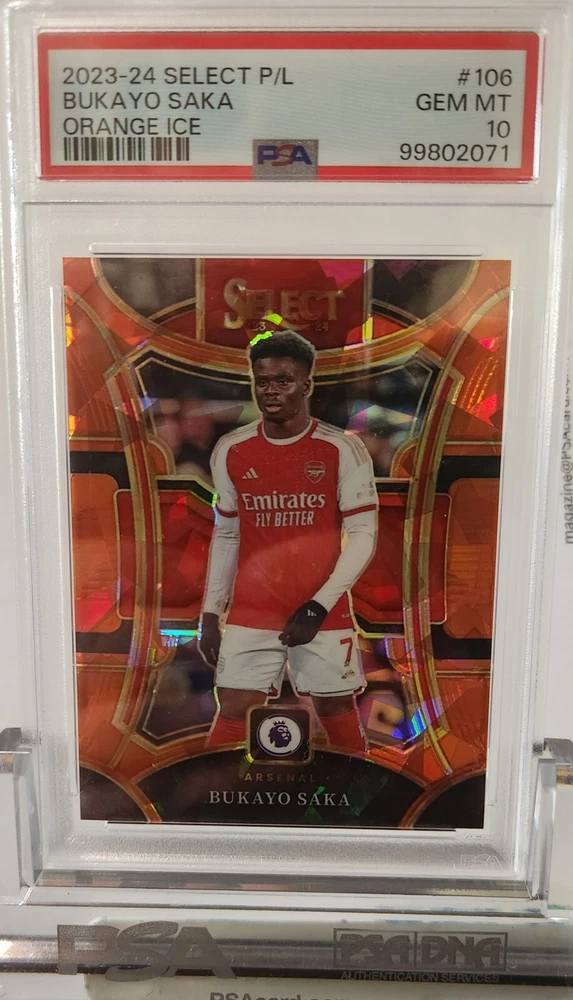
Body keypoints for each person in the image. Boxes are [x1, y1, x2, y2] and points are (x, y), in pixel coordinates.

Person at [199, 331, 378, 752]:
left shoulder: (341, 449)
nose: (271, 391)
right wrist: (210, 611)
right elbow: (227, 534)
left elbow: (364, 536)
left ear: (306, 385)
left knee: (335, 707)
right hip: (252, 610)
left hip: (322, 612)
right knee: (234, 708)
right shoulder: (231, 449)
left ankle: (358, 795)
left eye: (283, 381)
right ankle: (206, 791)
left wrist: (319, 605)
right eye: (262, 381)